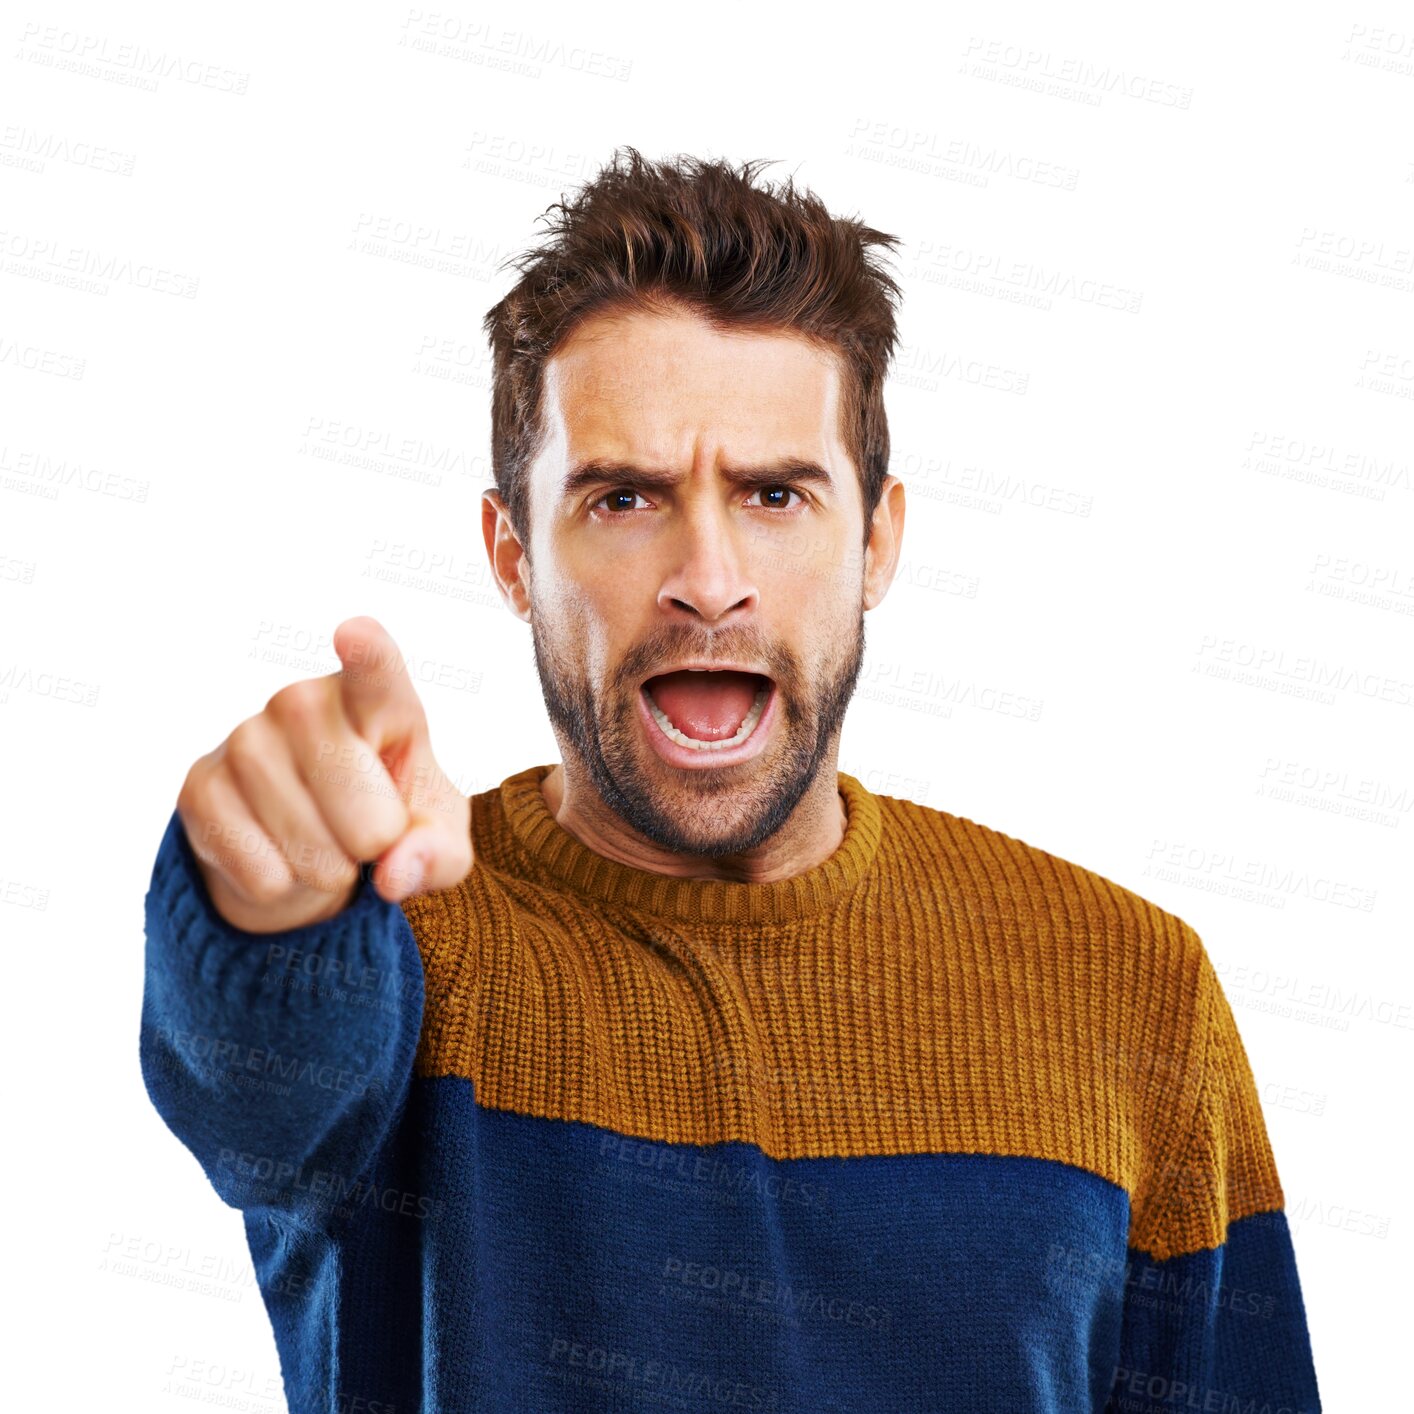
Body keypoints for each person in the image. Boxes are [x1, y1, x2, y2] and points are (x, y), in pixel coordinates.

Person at [140, 147, 1322, 1413]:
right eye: (625, 497)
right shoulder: (402, 950)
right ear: (510, 554)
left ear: (876, 541)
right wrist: (261, 902)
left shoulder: (1133, 986)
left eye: (773, 493)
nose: (708, 577)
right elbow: (257, 1077)